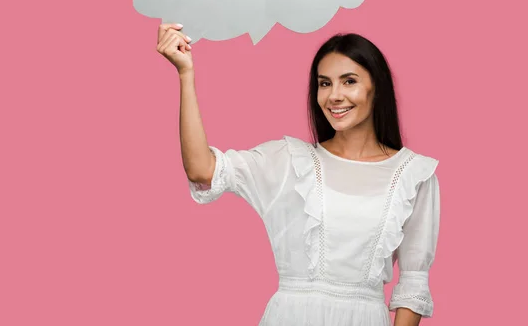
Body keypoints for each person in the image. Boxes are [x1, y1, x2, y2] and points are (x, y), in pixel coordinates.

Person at [156, 23, 441, 326]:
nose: (334, 95)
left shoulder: (414, 174)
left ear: (377, 87)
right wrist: (186, 75)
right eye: (324, 83)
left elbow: (413, 282)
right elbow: (202, 169)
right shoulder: (289, 162)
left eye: (349, 81)